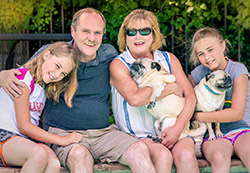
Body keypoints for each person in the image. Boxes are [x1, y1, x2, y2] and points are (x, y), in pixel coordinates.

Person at [0, 8, 157, 173]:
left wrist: (167, 87)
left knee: (139, 150)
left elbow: (135, 83)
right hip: (62, 133)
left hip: (103, 133)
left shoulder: (109, 54)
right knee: (80, 155)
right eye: (86, 31)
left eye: (97, 33)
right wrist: (3, 75)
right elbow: (25, 73)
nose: (91, 38)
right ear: (73, 31)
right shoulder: (55, 54)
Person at [110, 9, 199, 172]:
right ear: (125, 36)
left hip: (174, 128)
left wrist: (177, 129)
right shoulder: (120, 64)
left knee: (186, 155)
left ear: (154, 34)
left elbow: (191, 97)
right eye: (131, 32)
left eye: (144, 31)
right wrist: (171, 88)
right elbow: (135, 99)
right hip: (138, 136)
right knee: (163, 155)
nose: (138, 37)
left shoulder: (168, 59)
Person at [0, 41, 82, 172]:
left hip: (19, 140)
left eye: (63, 74)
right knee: (38, 154)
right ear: (46, 55)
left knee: (53, 163)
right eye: (57, 66)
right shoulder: (22, 77)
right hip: (3, 135)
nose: (57, 75)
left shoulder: (41, 89)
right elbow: (24, 126)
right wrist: (61, 140)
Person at [189, 26, 250, 172]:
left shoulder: (237, 70)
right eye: (201, 54)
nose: (207, 57)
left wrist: (197, 115)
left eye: (210, 50)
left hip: (241, 129)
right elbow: (186, 99)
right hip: (213, 135)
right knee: (218, 157)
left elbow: (236, 113)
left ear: (223, 46)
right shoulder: (199, 73)